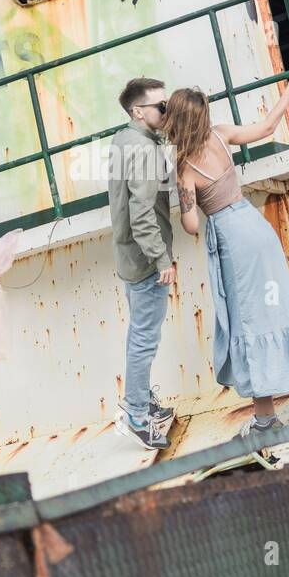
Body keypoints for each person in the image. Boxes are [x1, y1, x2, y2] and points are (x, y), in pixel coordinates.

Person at [164, 64, 289, 455]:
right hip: (256, 228)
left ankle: (264, 421)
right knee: (287, 309)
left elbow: (191, 226)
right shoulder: (221, 136)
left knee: (248, 323)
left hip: (234, 242)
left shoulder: (184, 168)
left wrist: (181, 200)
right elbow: (267, 127)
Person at [107, 77, 179, 450]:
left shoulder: (125, 139)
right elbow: (142, 211)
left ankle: (142, 401)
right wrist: (161, 258)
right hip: (146, 260)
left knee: (140, 332)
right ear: (139, 111)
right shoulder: (145, 151)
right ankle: (136, 415)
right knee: (144, 338)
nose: (167, 112)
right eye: (161, 107)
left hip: (129, 257)